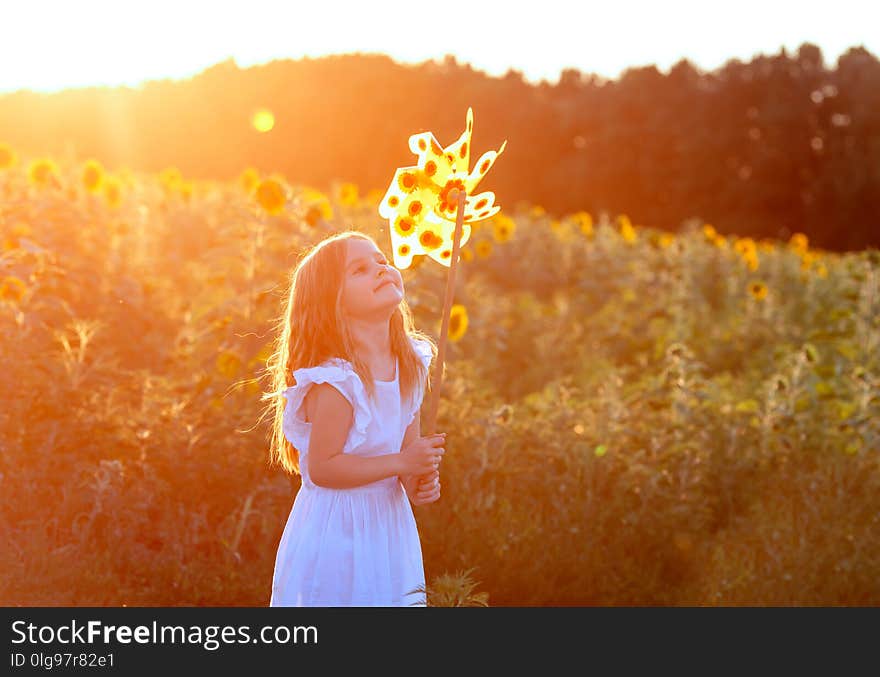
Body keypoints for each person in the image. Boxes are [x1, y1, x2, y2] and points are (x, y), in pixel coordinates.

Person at [263, 230, 446, 607]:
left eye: (381, 260)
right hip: (338, 532)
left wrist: (417, 480)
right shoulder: (337, 381)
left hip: (387, 526)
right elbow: (324, 469)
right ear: (333, 302)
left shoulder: (410, 365)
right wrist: (401, 462)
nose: (381, 269)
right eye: (360, 269)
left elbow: (406, 454)